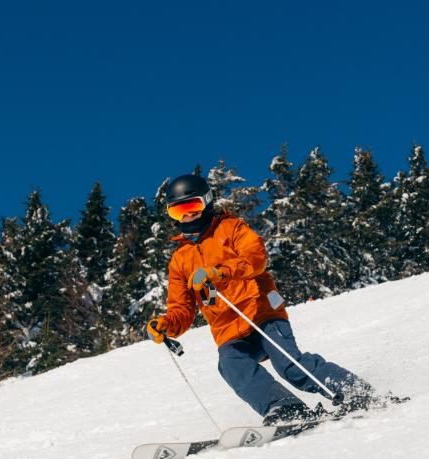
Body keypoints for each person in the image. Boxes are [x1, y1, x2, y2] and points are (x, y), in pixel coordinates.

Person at [146, 174, 376, 425]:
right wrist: (166, 325)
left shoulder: (231, 229)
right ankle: (285, 407)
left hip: (261, 313)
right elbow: (181, 310)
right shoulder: (180, 260)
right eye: (178, 211)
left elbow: (256, 258)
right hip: (228, 331)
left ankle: (353, 390)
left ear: (207, 203)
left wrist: (219, 271)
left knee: (288, 365)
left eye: (192, 207)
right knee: (231, 365)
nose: (187, 216)